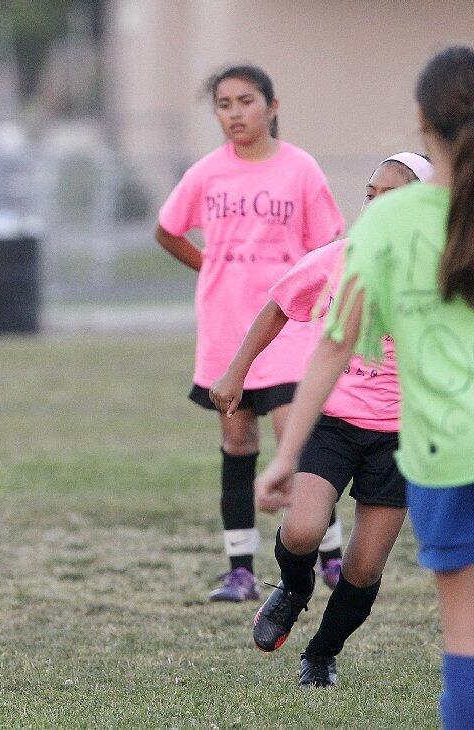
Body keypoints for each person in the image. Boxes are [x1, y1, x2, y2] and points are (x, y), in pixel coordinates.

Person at [256, 47, 474, 725]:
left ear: (420, 120)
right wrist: (296, 450)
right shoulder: (379, 230)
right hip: (402, 440)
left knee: (461, 632)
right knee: (316, 539)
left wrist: (283, 453)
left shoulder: (392, 226)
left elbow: (332, 340)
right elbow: (337, 335)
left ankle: (323, 650)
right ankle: (301, 614)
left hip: (436, 447)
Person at [211, 153, 432, 687]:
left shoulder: (440, 276)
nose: (375, 203)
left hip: (402, 436)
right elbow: (279, 305)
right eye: (371, 192)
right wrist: (236, 370)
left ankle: (322, 653)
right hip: (332, 422)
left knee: (362, 569)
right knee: (305, 527)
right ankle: (294, 586)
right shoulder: (339, 258)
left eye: (391, 195)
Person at [155, 64, 346, 602]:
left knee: (296, 440)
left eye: (246, 100)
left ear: (272, 105)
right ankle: (239, 569)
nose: (235, 113)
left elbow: (329, 249)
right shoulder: (207, 172)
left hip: (288, 331)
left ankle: (329, 557)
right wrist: (209, 266)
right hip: (226, 330)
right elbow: (168, 229)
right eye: (224, 104)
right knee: (238, 441)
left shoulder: (301, 170)